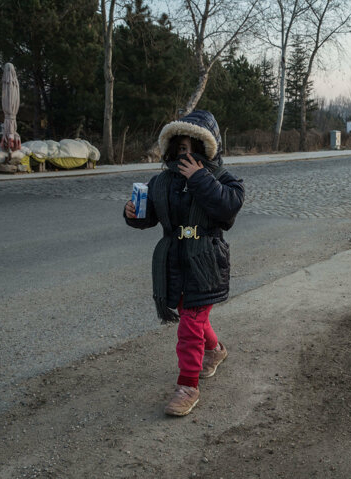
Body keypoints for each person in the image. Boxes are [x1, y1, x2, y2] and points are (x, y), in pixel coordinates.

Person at [124, 110, 245, 416]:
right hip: (174, 259)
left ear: (207, 149)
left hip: (206, 261)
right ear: (171, 150)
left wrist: (201, 178)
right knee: (193, 316)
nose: (186, 155)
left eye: (194, 148)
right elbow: (150, 217)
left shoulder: (221, 179)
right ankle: (215, 350)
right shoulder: (162, 181)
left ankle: (188, 385)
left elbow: (228, 208)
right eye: (181, 149)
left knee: (190, 323)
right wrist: (133, 215)